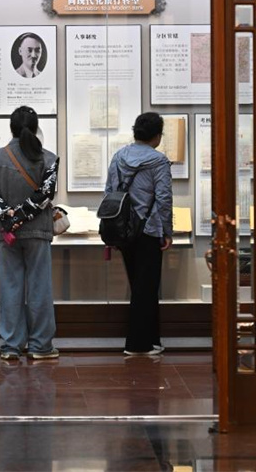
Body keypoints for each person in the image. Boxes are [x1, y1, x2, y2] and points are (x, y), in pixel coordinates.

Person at [0, 105, 59, 361]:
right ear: (36, 129)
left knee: (10, 286)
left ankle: (11, 345)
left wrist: (9, 217)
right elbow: (45, 195)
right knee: (40, 287)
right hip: (37, 232)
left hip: (6, 234)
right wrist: (23, 216)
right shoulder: (49, 159)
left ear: (11, 128)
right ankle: (40, 346)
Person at [105, 111, 173, 357]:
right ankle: (137, 344)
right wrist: (167, 231)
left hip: (124, 229)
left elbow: (109, 191)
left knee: (139, 285)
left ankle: (152, 340)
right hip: (149, 229)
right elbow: (163, 198)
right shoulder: (159, 161)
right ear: (157, 136)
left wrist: (113, 228)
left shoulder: (119, 156)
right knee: (147, 286)